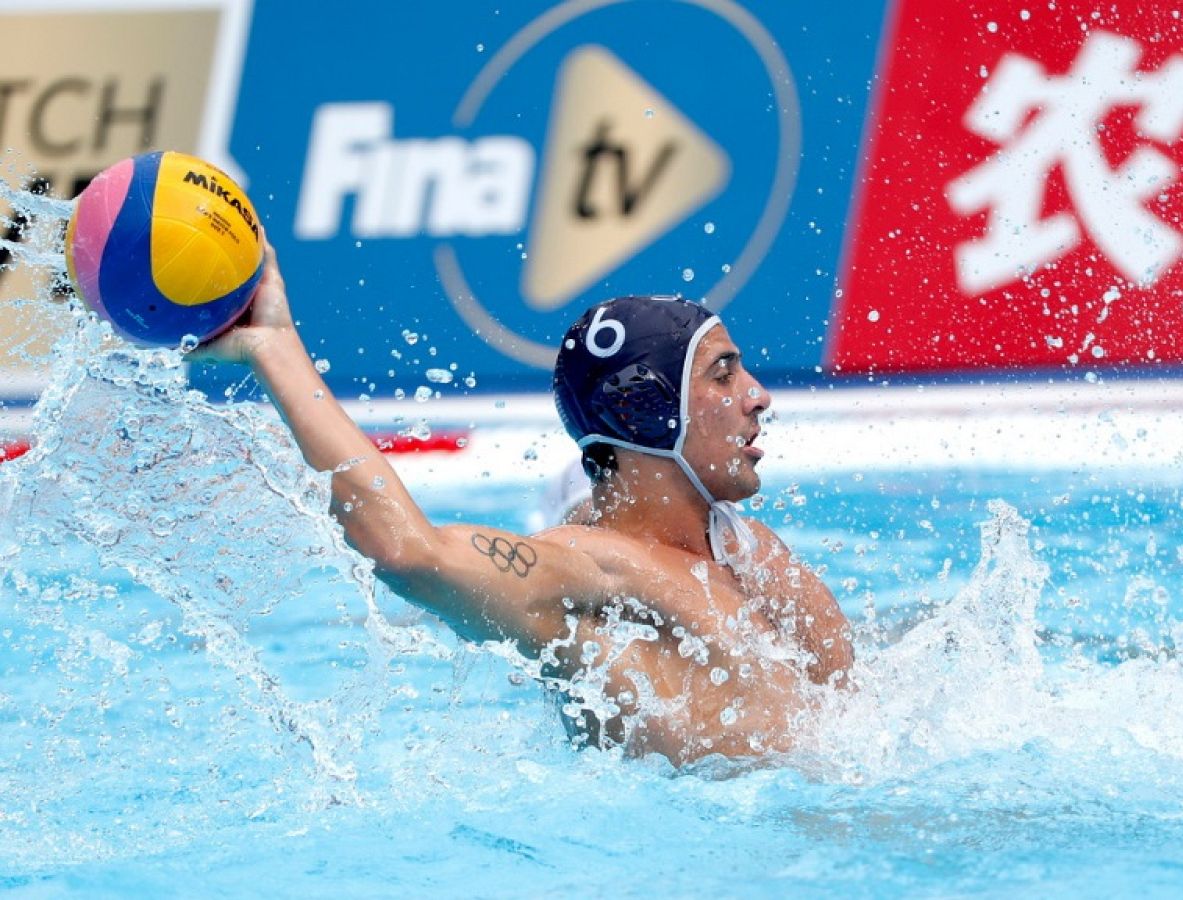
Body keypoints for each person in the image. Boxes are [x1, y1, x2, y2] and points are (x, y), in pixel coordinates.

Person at [200, 264, 852, 764]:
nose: (758, 396)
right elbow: (408, 553)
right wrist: (276, 349)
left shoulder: (750, 550)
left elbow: (854, 720)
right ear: (647, 410)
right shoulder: (590, 576)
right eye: (723, 375)